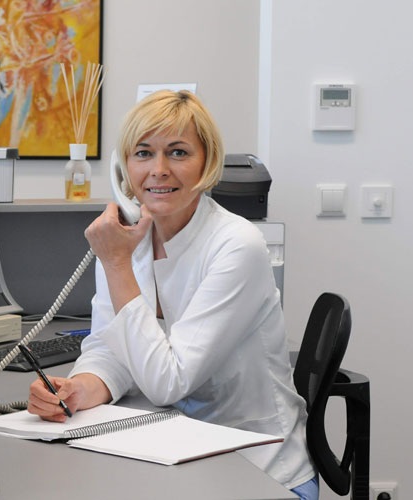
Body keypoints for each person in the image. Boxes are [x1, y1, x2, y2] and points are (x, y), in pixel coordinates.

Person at [26, 90, 318, 499]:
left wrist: (116, 264)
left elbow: (168, 382)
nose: (158, 170)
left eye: (178, 153)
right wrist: (77, 390)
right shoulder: (127, 241)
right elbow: (110, 351)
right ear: (124, 167)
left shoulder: (236, 245)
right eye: (143, 154)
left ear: (206, 163)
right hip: (173, 458)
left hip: (257, 471)